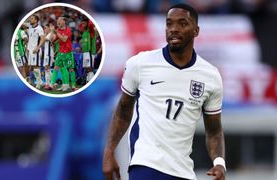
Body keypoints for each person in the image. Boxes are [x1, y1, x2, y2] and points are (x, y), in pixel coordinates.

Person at [102, 3, 226, 180]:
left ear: (196, 31)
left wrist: (219, 162)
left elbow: (214, 130)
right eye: (169, 23)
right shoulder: (140, 64)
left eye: (182, 23)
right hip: (145, 166)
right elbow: (123, 111)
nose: (174, 29)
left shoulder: (210, 76)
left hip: (183, 172)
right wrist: (109, 151)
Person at [50, 16, 77, 91]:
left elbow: (64, 39)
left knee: (71, 69)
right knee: (57, 68)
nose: (58, 22)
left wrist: (56, 32)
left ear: (64, 22)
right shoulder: (58, 30)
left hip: (68, 52)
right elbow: (52, 39)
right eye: (57, 20)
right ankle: (52, 85)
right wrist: (52, 31)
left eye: (60, 20)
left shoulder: (68, 30)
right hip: (60, 52)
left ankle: (73, 86)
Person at [27, 14, 45, 89]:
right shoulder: (30, 27)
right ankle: (38, 81)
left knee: (36, 66)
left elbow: (43, 39)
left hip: (36, 50)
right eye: (30, 18)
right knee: (31, 67)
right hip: (30, 50)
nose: (30, 20)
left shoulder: (39, 28)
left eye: (31, 19)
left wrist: (38, 47)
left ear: (36, 20)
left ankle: (39, 83)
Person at [42, 23, 55, 90]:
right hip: (46, 53)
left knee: (47, 68)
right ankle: (51, 83)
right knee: (47, 69)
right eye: (44, 28)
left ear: (49, 28)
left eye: (45, 28)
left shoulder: (50, 34)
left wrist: (51, 31)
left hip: (49, 53)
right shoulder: (47, 34)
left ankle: (49, 84)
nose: (44, 29)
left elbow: (48, 39)